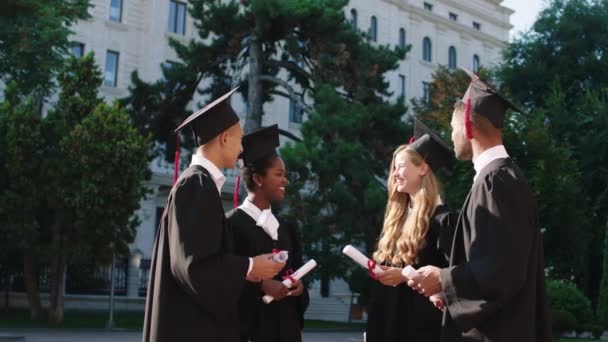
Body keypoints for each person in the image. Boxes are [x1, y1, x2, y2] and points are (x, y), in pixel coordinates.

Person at [407, 70, 552, 341]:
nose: (451, 136)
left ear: (468, 125)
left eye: (453, 128)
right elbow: (492, 262)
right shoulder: (499, 178)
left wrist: (443, 279)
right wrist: (451, 294)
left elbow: (501, 270)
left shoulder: (496, 183)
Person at [142, 88, 285, 342]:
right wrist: (250, 265)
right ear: (224, 139)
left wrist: (247, 272)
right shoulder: (197, 185)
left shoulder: (198, 183)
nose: (242, 149)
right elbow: (195, 266)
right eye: (239, 139)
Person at [365, 118, 456, 342]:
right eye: (394, 168)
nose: (395, 173)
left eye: (401, 166)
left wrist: (403, 277)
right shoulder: (396, 219)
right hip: (387, 324)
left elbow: (453, 281)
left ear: (423, 168)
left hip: (421, 330)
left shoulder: (445, 221)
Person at [226, 124, 309, 342]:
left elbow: (297, 271)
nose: (285, 181)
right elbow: (223, 277)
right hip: (252, 331)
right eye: (279, 174)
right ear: (258, 178)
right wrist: (261, 286)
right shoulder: (231, 224)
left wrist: (299, 287)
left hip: (287, 330)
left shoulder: (287, 227)